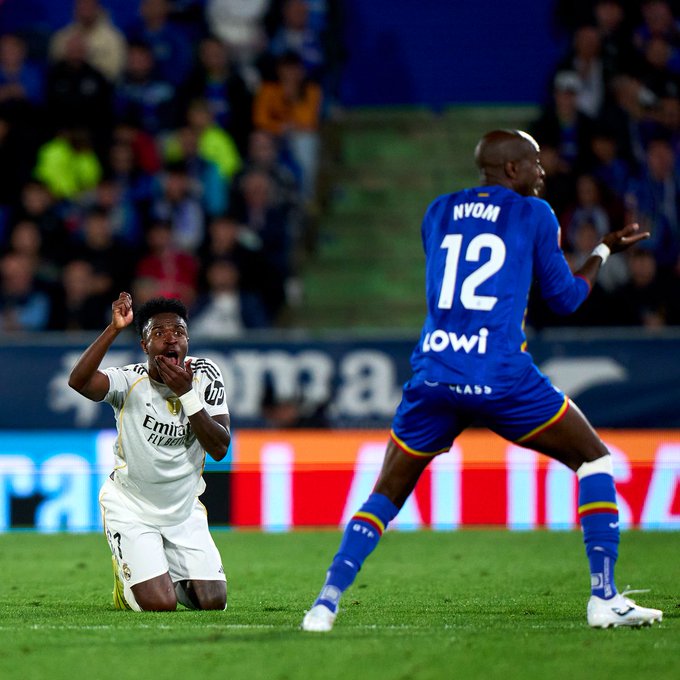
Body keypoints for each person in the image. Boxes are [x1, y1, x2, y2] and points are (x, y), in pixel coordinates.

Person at [301, 129, 664, 632]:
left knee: (386, 491)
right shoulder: (535, 214)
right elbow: (566, 300)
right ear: (511, 170)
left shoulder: (436, 211)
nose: (543, 172)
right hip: (500, 376)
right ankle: (604, 597)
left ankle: (325, 603)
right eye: (535, 163)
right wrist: (600, 253)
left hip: (436, 373)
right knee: (594, 458)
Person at [68, 292, 230, 611]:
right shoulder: (128, 381)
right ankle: (128, 575)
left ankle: (157, 564)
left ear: (187, 340)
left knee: (212, 602)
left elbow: (220, 447)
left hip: (182, 511)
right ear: (145, 346)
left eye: (178, 332)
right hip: (132, 507)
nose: (171, 339)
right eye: (159, 333)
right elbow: (79, 381)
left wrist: (187, 395)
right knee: (159, 606)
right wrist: (114, 329)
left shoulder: (204, 375)